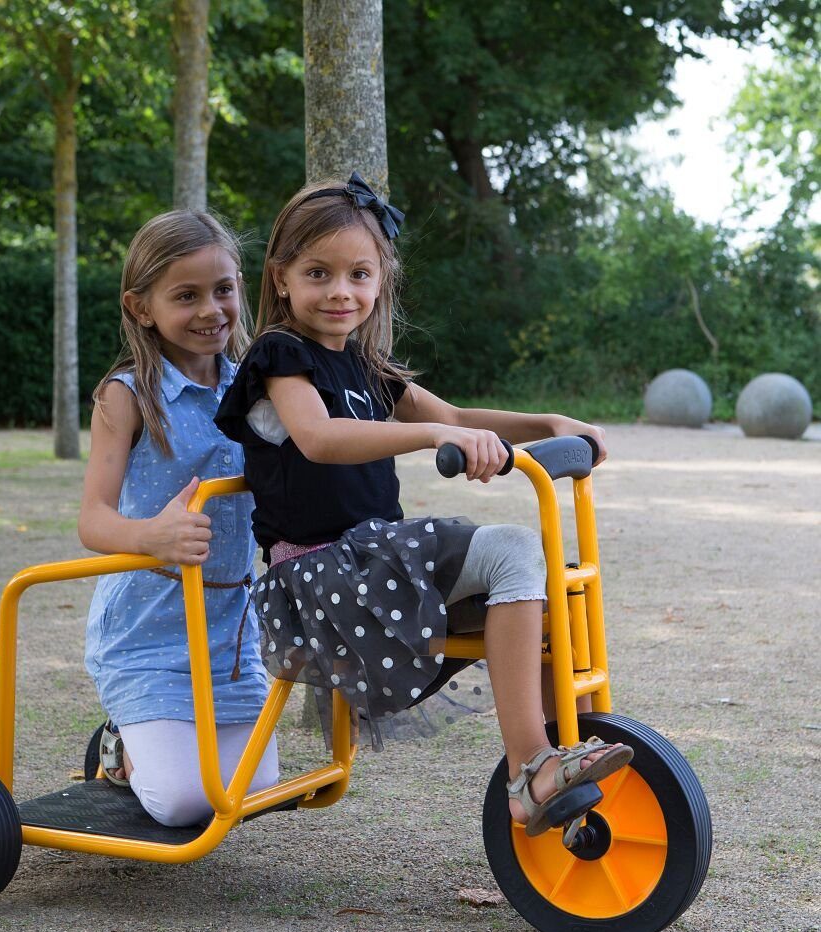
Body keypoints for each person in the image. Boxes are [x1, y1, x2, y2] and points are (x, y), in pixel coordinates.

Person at [215, 172, 631, 840]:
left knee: (547, 607)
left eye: (359, 274)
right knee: (512, 549)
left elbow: (459, 414)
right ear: (282, 277)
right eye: (318, 273)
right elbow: (319, 439)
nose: (340, 292)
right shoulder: (279, 357)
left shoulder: (369, 367)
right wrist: (436, 436)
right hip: (320, 580)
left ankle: (555, 759)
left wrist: (547, 422)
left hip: (372, 569)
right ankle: (531, 768)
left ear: (381, 280)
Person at [79, 210, 279, 827]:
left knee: (251, 786)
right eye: (185, 296)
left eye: (223, 289)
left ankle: (151, 741)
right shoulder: (128, 394)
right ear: (141, 307)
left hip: (228, 625)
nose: (211, 310)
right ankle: (119, 748)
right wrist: (152, 535)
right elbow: (92, 520)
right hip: (150, 624)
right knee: (184, 803)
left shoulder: (258, 384)